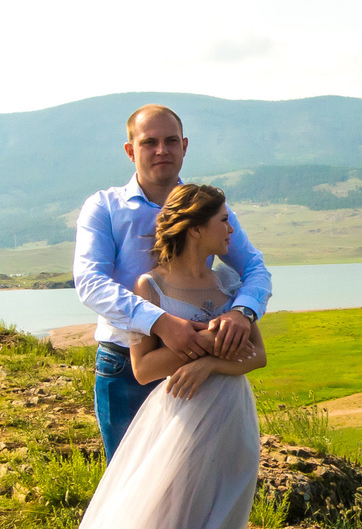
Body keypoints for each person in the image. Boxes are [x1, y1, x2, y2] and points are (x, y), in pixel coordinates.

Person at [7, 182, 268, 529]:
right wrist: (187, 355)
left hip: (232, 422)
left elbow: (257, 356)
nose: (231, 231)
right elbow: (144, 368)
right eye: (223, 222)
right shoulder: (149, 287)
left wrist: (209, 362)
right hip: (180, 424)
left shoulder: (228, 286)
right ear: (196, 228)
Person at [73, 104, 271, 460]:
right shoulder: (104, 208)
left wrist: (243, 312)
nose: (161, 150)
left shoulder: (209, 209)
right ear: (130, 150)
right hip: (126, 366)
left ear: (185, 146)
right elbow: (89, 281)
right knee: (131, 484)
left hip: (201, 367)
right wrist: (161, 323)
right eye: (149, 142)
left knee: (193, 481)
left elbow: (255, 268)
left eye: (171, 141)